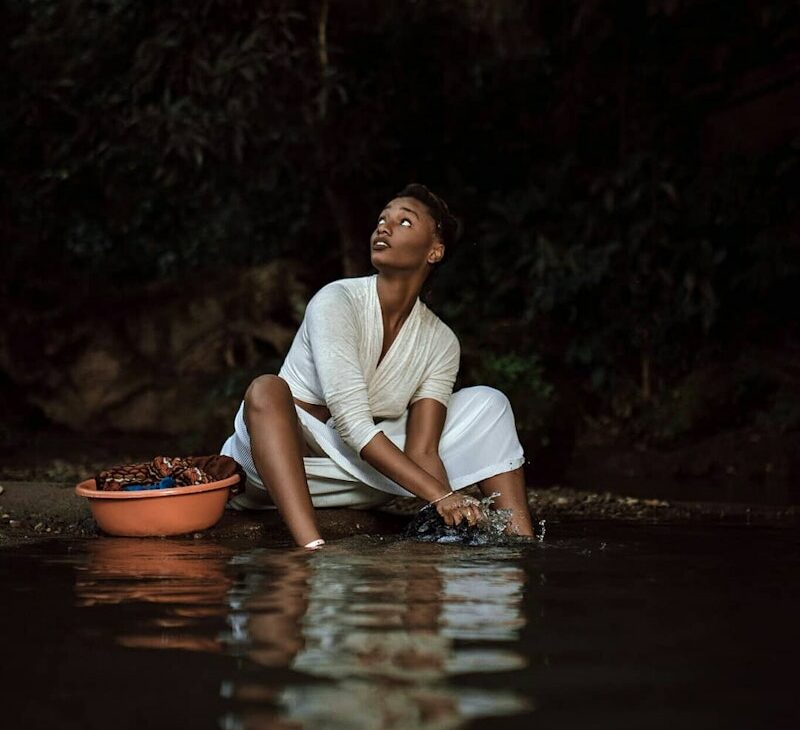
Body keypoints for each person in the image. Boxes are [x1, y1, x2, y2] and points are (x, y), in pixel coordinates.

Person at [220, 184, 534, 548]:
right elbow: (352, 425)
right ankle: (312, 549)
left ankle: (519, 544)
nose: (383, 227)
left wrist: (451, 511)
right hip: (282, 466)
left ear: (435, 250)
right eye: (382, 219)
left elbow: (423, 450)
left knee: (489, 404)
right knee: (266, 389)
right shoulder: (336, 300)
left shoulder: (441, 340)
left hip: (363, 477)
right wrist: (439, 496)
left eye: (403, 221)